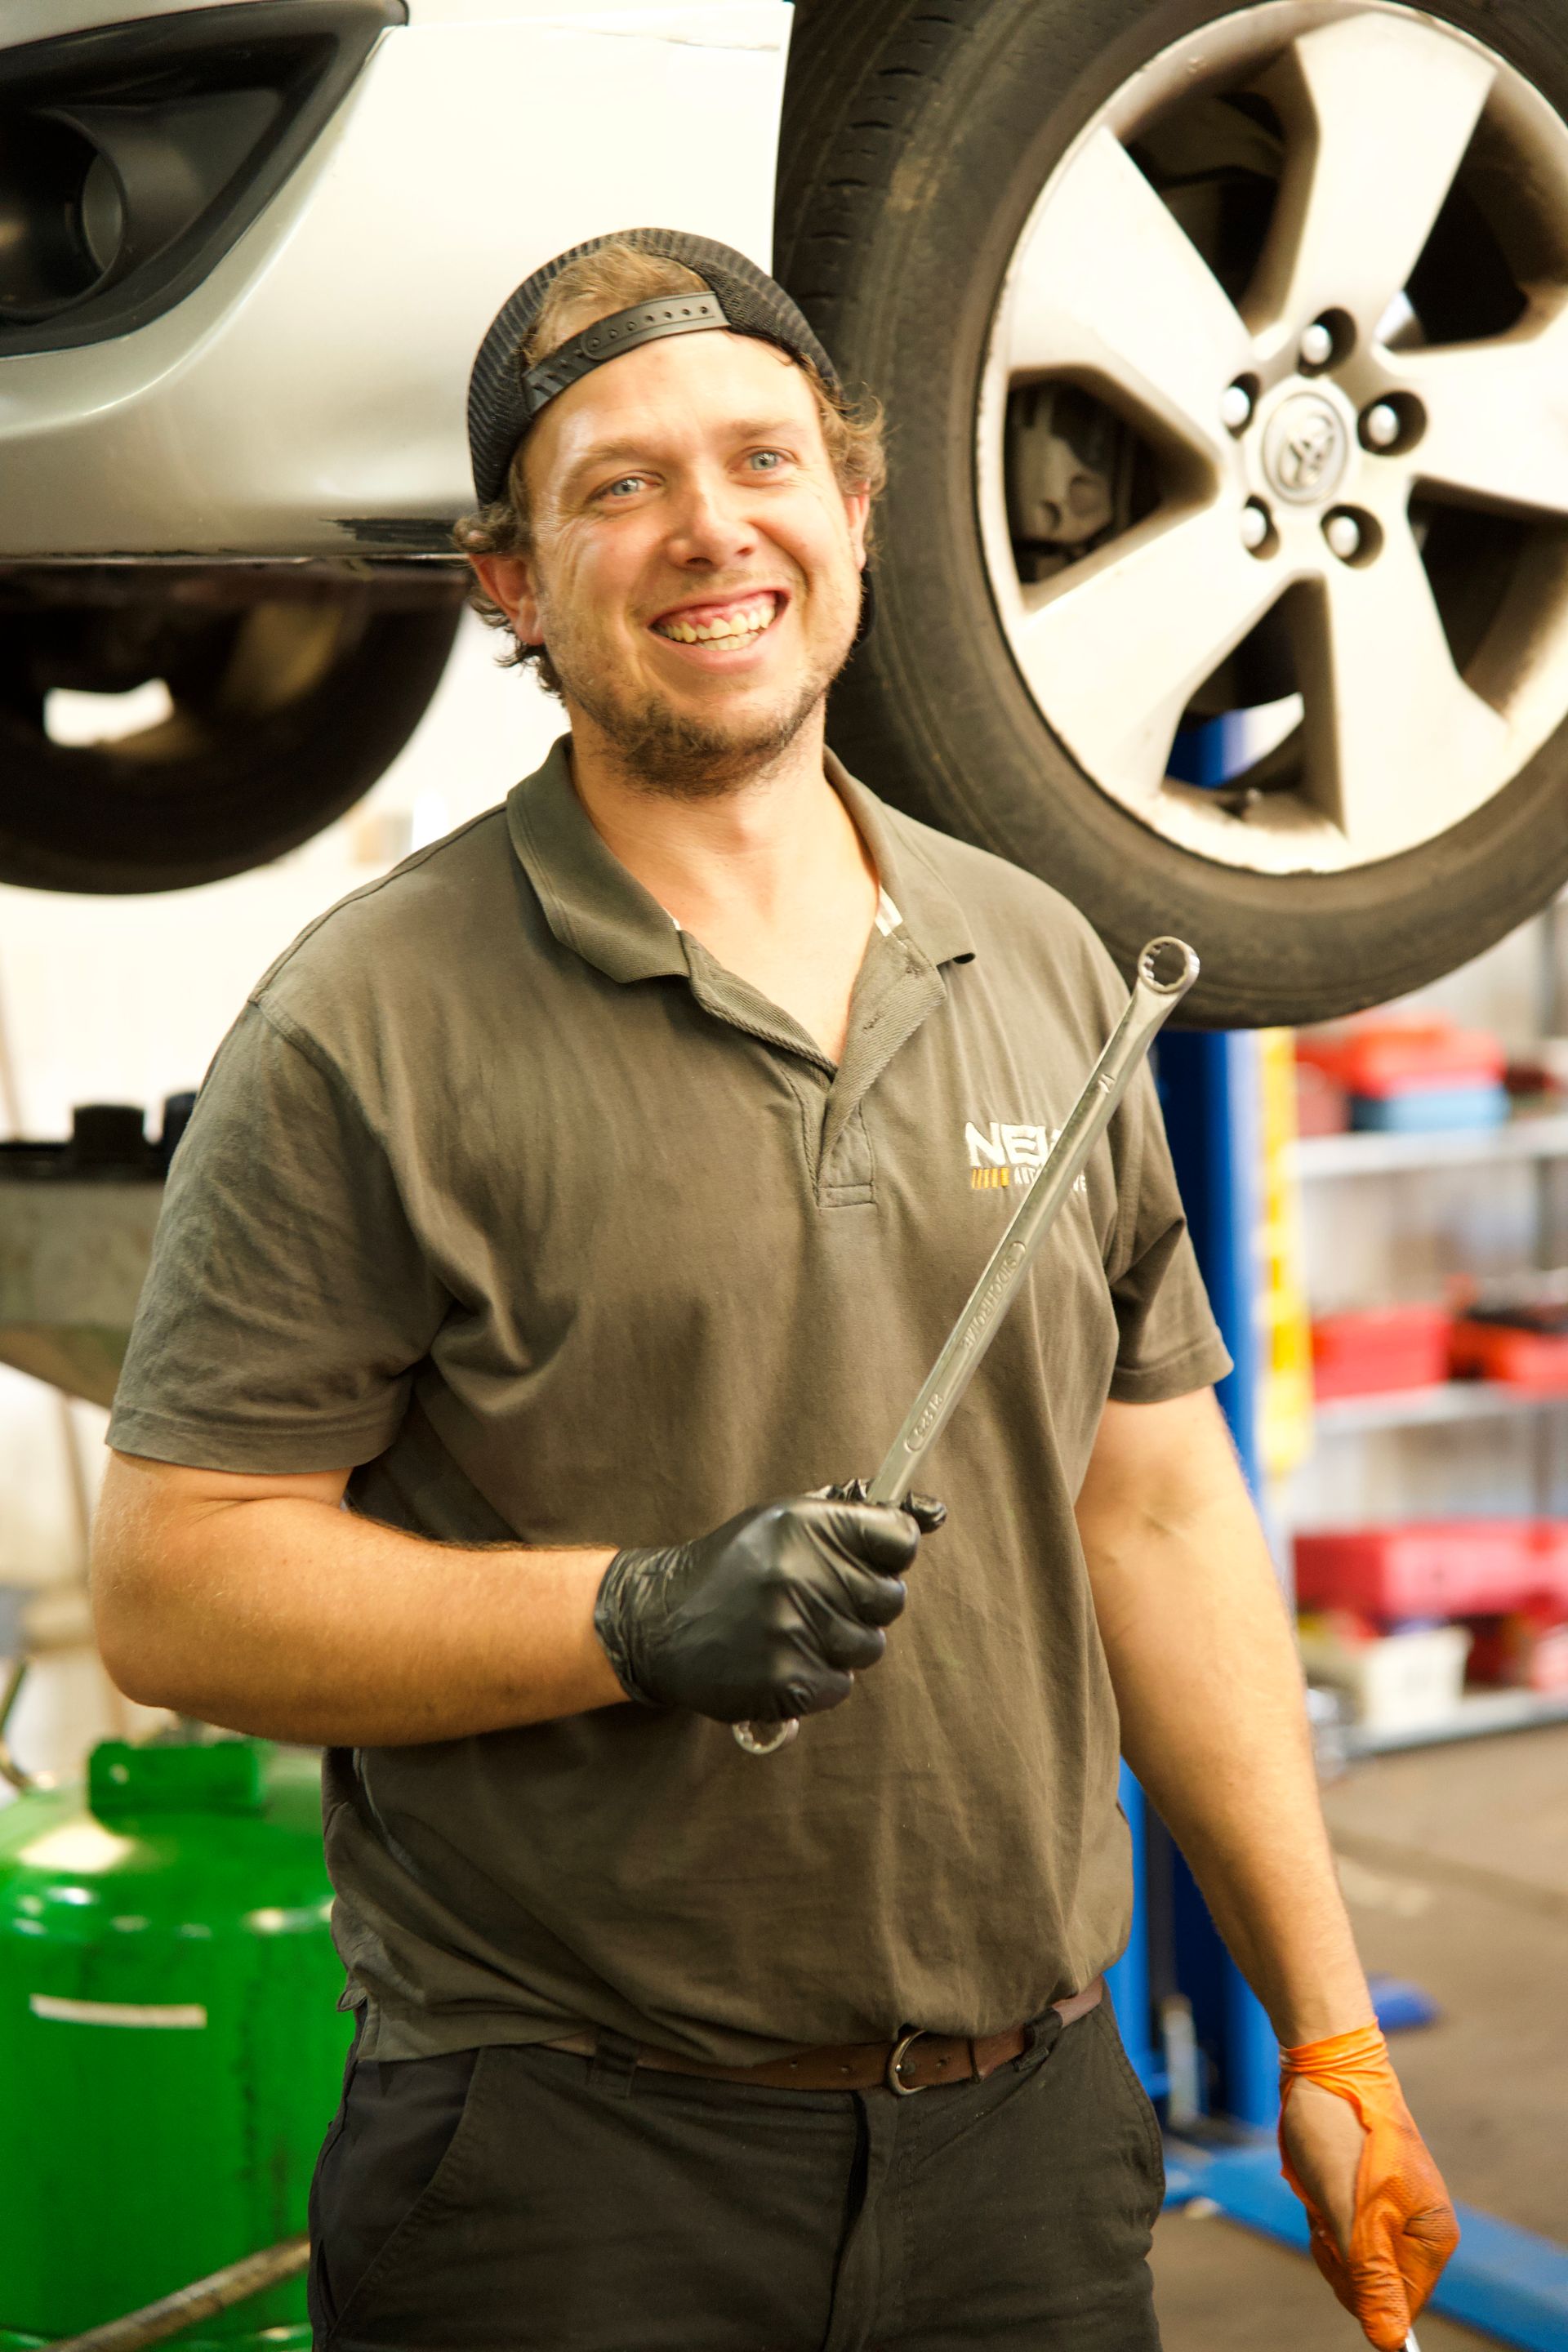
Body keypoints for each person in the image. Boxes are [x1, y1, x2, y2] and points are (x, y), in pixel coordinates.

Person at [91, 228, 1456, 2352]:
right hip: (565, 2180)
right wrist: (626, 1618)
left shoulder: (1043, 964)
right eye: (617, 483)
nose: (709, 525)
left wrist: (1329, 2028)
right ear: (514, 585)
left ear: (853, 503)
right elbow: (183, 1585)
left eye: (759, 458)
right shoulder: (368, 1026)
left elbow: (1157, 1510)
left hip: (1026, 2157)